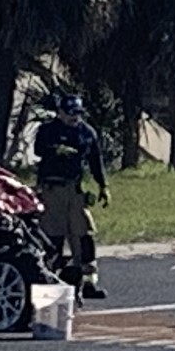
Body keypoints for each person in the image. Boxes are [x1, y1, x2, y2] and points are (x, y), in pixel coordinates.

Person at [33, 93, 110, 301]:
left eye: (77, 113)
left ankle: (88, 282)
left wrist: (104, 186)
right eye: (69, 113)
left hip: (75, 190)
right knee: (52, 236)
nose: (74, 118)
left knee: (84, 234)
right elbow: (38, 149)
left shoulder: (87, 133)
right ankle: (50, 280)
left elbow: (95, 160)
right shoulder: (48, 130)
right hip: (52, 190)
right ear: (60, 113)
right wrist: (54, 150)